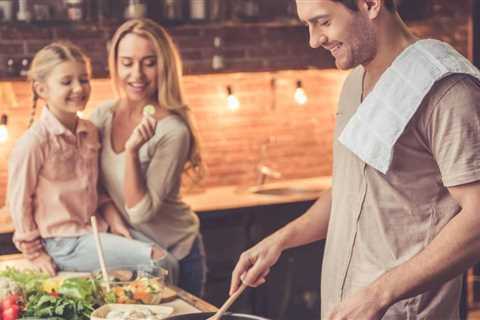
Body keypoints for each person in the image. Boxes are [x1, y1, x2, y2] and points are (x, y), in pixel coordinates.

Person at [230, 0, 480, 319]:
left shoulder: (450, 92)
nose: (313, 39)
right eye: (307, 25)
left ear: (371, 4)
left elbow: (477, 218)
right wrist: (282, 239)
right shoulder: (353, 84)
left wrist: (379, 293)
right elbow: (353, 189)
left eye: (323, 21)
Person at [7, 41, 175, 278]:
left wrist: (116, 223)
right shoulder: (34, 142)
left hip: (96, 231)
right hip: (62, 244)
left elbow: (97, 190)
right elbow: (18, 202)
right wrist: (35, 254)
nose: (78, 88)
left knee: (166, 259)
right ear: (41, 89)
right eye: (66, 82)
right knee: (161, 262)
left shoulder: (90, 132)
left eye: (84, 80)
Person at [90, 18, 207, 297]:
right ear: (115, 64)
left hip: (177, 254)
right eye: (127, 62)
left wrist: (132, 151)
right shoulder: (102, 116)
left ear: (164, 65)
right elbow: (93, 186)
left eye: (149, 62)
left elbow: (141, 211)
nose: (137, 74)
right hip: (134, 250)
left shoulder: (172, 130)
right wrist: (112, 219)